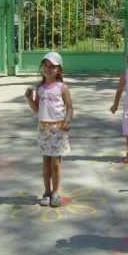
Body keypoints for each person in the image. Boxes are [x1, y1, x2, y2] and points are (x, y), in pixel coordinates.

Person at [25, 52, 74, 208]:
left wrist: (67, 121)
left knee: (56, 164)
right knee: (46, 162)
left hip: (58, 129)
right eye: (45, 65)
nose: (48, 68)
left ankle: (55, 192)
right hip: (44, 129)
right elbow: (36, 109)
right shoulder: (40, 88)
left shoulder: (62, 87)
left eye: (52, 66)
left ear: (59, 70)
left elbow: (69, 108)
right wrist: (29, 99)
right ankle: (46, 192)